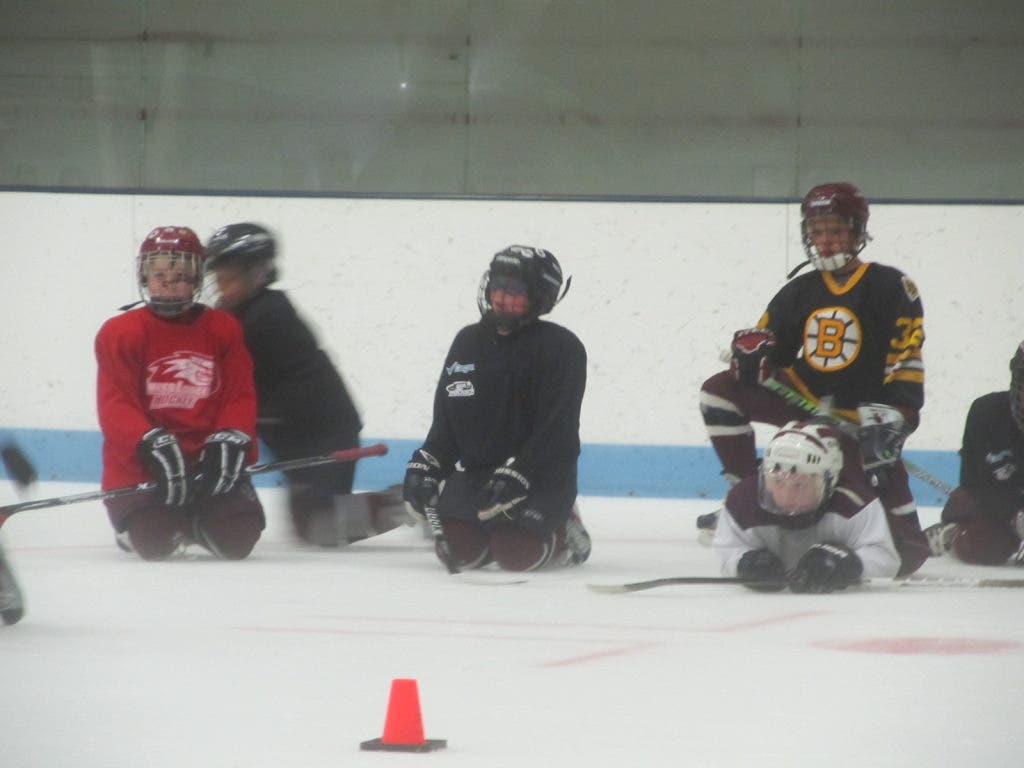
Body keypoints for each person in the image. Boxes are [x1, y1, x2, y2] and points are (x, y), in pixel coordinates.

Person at [698, 181, 930, 577]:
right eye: (817, 231)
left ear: (857, 230)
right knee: (719, 392)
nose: (825, 241)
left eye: (835, 230)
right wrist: (754, 358)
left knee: (906, 554)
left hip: (861, 422)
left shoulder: (891, 286)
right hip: (801, 403)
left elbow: (906, 360)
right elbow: (770, 347)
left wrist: (895, 420)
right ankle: (750, 494)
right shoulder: (799, 290)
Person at [402, 245, 591, 572]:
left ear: (541, 296)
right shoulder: (466, 342)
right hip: (480, 477)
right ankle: (493, 524)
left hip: (541, 476)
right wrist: (428, 464)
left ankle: (567, 526)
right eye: (496, 286)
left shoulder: (562, 348)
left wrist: (521, 471)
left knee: (516, 552)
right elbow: (446, 427)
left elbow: (557, 432)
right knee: (460, 551)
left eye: (515, 290)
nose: (501, 297)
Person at [203, 223, 393, 546]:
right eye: (219, 278)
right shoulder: (241, 313)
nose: (222, 287)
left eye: (230, 277)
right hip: (295, 435)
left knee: (321, 524)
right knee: (311, 522)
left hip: (324, 433)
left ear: (257, 274)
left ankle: (412, 503)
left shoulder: (266, 316)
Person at [95, 226, 265, 560]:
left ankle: (196, 519)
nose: (169, 283)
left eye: (180, 276)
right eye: (160, 275)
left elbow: (239, 395)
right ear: (145, 277)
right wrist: (148, 442)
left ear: (197, 279)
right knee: (156, 542)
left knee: (237, 539)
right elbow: (116, 404)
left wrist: (232, 436)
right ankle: (150, 524)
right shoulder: (120, 332)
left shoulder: (223, 328)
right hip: (144, 466)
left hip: (207, 464)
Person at [715, 420, 901, 593]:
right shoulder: (743, 501)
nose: (787, 497)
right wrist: (745, 564)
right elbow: (727, 552)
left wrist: (846, 564)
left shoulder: (854, 505)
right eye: (778, 482)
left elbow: (886, 560)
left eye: (799, 485)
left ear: (829, 481)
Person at [927, 342, 1024, 565]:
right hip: (999, 508)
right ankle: (952, 535)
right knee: (979, 545)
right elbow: (974, 486)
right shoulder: (986, 413)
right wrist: (1015, 515)